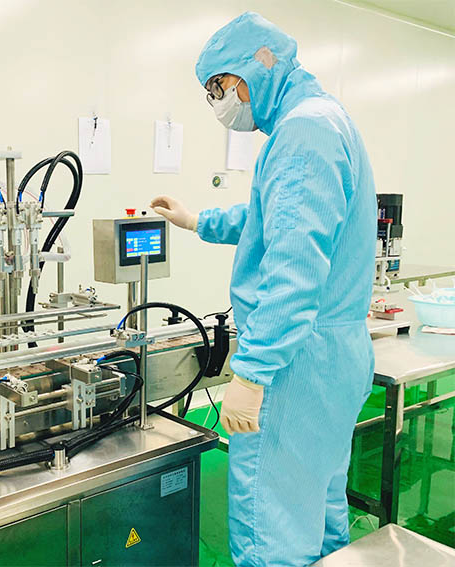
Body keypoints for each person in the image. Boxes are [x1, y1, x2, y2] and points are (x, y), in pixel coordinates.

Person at [151, 12, 377, 567]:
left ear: (253, 69)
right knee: (320, 511)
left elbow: (293, 272)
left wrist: (253, 373)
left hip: (294, 368)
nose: (218, 103)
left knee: (270, 532)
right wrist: (197, 220)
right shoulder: (324, 118)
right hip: (334, 360)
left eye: (217, 88)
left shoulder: (303, 133)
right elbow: (270, 217)